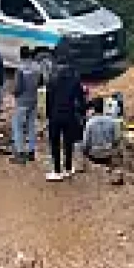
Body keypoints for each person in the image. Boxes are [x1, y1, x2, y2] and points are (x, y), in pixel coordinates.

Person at [44, 44, 85, 182]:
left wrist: (48, 115)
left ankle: (57, 171)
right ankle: (68, 168)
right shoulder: (75, 78)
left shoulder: (52, 78)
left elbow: (48, 99)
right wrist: (82, 113)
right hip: (70, 115)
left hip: (55, 115)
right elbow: (81, 99)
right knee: (68, 142)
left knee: (55, 143)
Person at [11, 47, 44, 165]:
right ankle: (31, 151)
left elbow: (18, 88)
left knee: (18, 127)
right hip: (33, 100)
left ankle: (20, 153)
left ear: (21, 56)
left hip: (21, 102)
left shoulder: (20, 69)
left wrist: (13, 93)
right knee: (31, 126)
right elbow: (41, 83)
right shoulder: (37, 67)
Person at [80, 96, 122, 168]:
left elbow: (86, 143)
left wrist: (85, 152)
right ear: (103, 107)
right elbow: (117, 140)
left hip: (94, 154)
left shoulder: (89, 123)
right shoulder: (111, 121)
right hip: (108, 153)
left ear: (93, 109)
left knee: (78, 146)